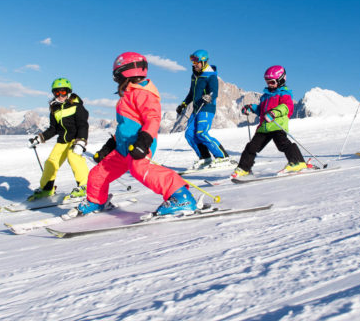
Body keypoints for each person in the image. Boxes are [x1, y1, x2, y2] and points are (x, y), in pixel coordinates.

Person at [73, 52, 198, 216]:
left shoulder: (143, 93)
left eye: (117, 77)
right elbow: (125, 126)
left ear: (126, 72)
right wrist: (108, 147)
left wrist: (144, 142)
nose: (116, 81)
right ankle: (96, 201)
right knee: (98, 173)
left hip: (140, 144)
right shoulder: (128, 94)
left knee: (140, 170)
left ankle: (181, 197)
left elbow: (153, 119)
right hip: (122, 148)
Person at [231, 65, 308, 179]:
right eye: (267, 82)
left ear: (281, 80)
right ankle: (244, 168)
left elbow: (286, 107)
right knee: (251, 147)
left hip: (277, 125)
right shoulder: (265, 96)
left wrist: (274, 113)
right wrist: (251, 108)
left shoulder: (284, 94)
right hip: (264, 127)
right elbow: (262, 111)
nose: (269, 85)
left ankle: (297, 162)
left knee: (283, 145)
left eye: (272, 82)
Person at [27, 78, 90, 200]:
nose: (60, 95)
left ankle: (85, 186)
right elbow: (53, 129)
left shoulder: (77, 106)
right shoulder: (54, 109)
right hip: (62, 140)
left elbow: (83, 125)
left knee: (74, 157)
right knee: (51, 162)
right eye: (57, 93)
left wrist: (81, 141)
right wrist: (39, 138)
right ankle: (47, 189)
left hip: (75, 139)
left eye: (63, 92)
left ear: (69, 92)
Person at [176, 49, 231, 170]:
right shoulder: (195, 76)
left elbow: (214, 91)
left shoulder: (210, 75)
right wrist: (183, 105)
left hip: (207, 108)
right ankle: (205, 157)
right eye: (193, 61)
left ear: (204, 61)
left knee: (201, 133)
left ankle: (223, 156)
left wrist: (209, 96)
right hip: (196, 109)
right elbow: (191, 93)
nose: (194, 64)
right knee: (189, 134)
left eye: (196, 62)